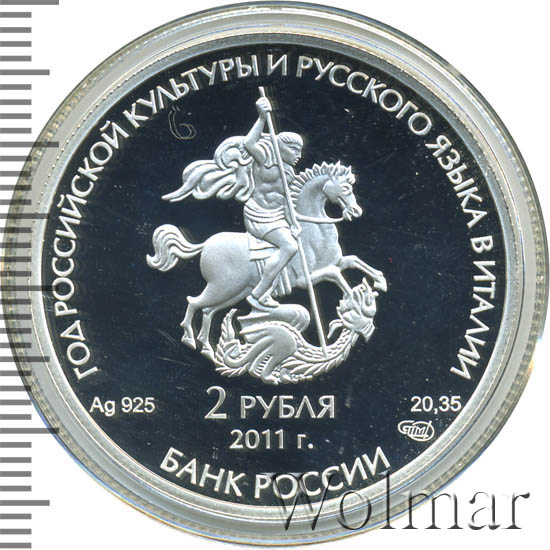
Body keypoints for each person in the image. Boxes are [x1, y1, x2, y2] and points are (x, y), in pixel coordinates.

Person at [242, 97, 303, 309]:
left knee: (290, 245)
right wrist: (261, 118)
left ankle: (267, 291)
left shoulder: (290, 173)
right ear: (281, 147)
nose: (298, 155)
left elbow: (286, 202)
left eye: (300, 151)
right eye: (294, 149)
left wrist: (293, 223)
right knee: (289, 246)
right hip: (258, 214)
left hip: (277, 217)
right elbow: (248, 144)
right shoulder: (265, 158)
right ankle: (259, 292)